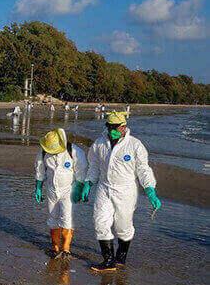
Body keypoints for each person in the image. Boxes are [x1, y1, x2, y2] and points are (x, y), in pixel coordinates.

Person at [81, 111, 160, 271]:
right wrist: (88, 183)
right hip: (104, 188)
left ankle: (121, 257)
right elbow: (94, 166)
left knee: (123, 226)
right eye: (109, 127)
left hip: (125, 191)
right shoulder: (99, 144)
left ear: (124, 127)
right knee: (100, 221)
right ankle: (108, 260)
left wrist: (150, 189)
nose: (112, 131)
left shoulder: (135, 145)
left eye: (115, 127)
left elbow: (143, 170)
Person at [34, 128, 87, 257]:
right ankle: (55, 248)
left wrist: (80, 190)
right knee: (53, 219)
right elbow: (40, 170)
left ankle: (66, 249)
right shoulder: (43, 152)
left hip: (69, 190)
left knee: (67, 219)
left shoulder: (74, 152)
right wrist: (38, 187)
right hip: (51, 189)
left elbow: (81, 173)